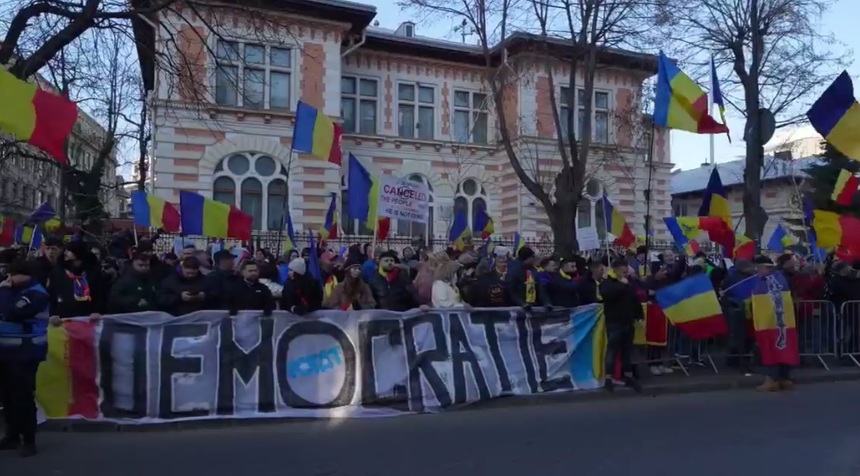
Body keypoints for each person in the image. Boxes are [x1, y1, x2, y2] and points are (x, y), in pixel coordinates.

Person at [0, 259, 51, 457]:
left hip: (26, 351)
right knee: (7, 397)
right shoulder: (11, 290)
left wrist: (3, 291)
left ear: (25, 275)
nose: (9, 279)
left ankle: (29, 440)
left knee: (22, 397)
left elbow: (12, 312)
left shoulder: (36, 293)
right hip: (5, 351)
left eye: (13, 275)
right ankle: (11, 436)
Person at [599, 258, 643, 392]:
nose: (625, 273)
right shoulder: (607, 283)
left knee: (627, 351)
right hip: (614, 321)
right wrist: (622, 285)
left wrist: (639, 316)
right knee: (612, 350)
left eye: (626, 269)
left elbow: (635, 299)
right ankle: (608, 378)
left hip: (628, 321)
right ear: (615, 270)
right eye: (622, 270)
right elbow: (608, 294)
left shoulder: (630, 282)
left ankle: (628, 376)